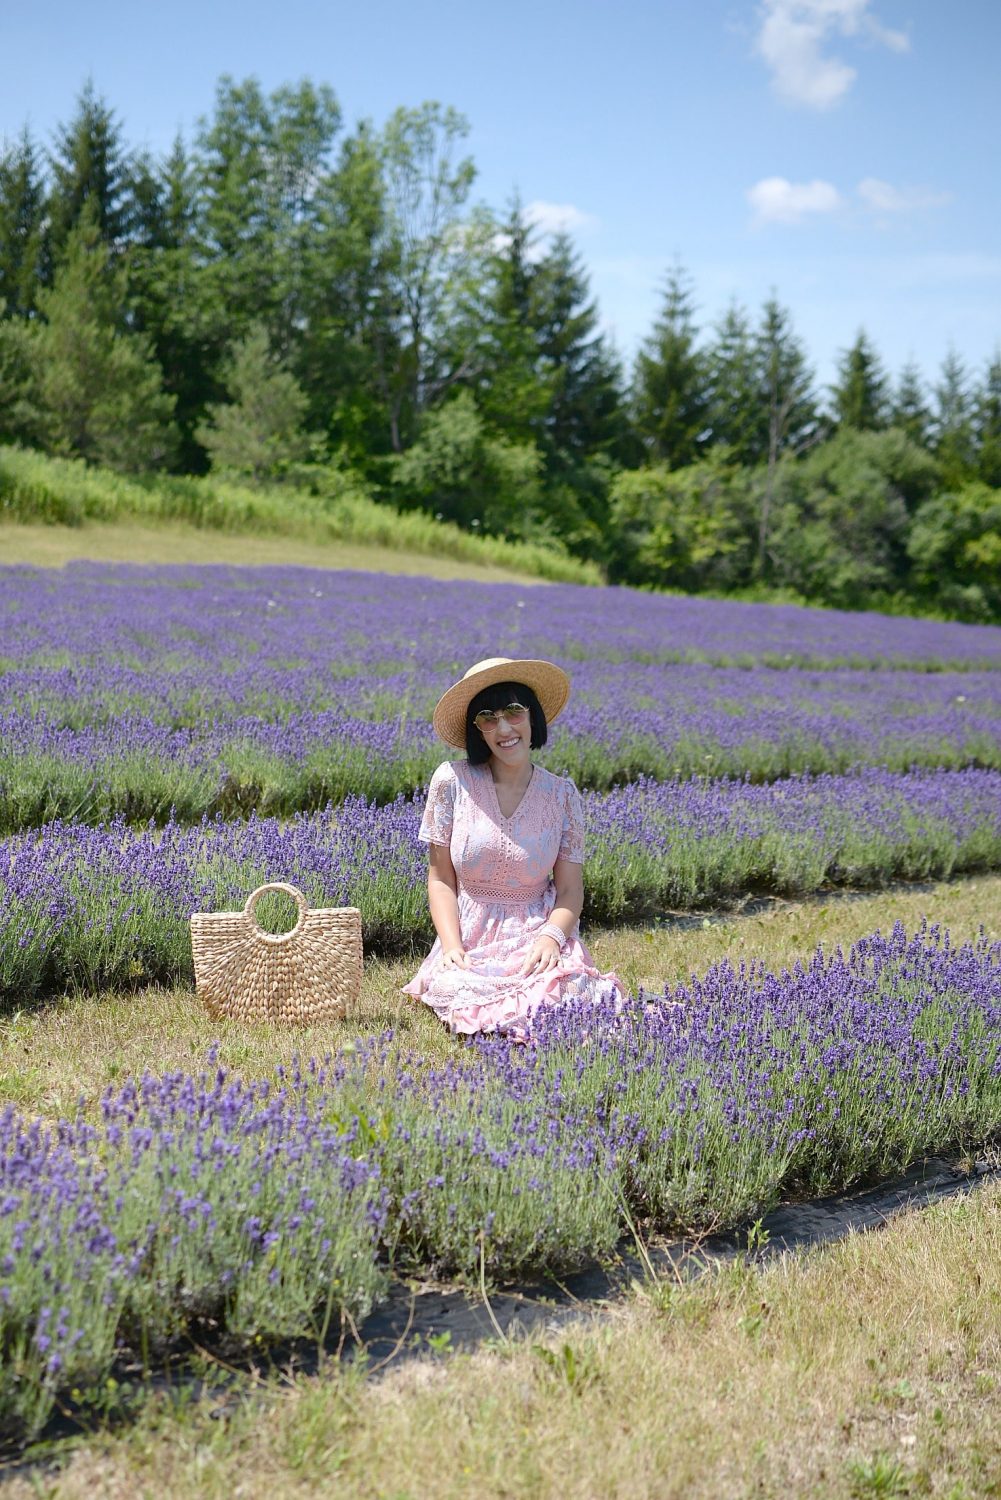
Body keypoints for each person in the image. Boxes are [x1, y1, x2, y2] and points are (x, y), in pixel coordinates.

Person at [402, 656, 626, 1037]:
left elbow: (570, 890)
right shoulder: (451, 782)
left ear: (532, 717)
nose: (503, 727)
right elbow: (440, 878)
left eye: (514, 711)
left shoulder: (562, 796)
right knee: (460, 988)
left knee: (572, 993)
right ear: (478, 729)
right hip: (469, 932)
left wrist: (552, 937)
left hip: (535, 928)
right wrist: (452, 945)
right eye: (488, 717)